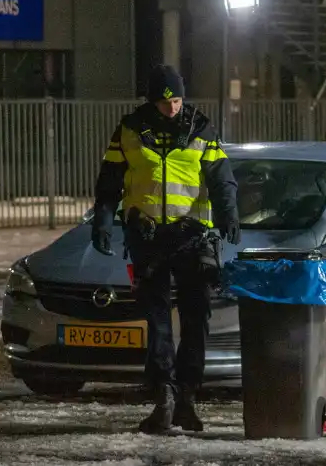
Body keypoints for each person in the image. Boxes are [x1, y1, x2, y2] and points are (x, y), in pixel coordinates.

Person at [91, 65, 240, 434]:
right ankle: (164, 397)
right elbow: (109, 181)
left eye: (177, 100)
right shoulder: (129, 130)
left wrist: (229, 215)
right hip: (148, 237)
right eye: (165, 101)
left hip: (192, 238)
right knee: (157, 321)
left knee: (195, 320)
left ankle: (187, 397)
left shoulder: (201, 129)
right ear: (151, 100)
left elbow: (222, 178)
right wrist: (103, 219)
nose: (172, 107)